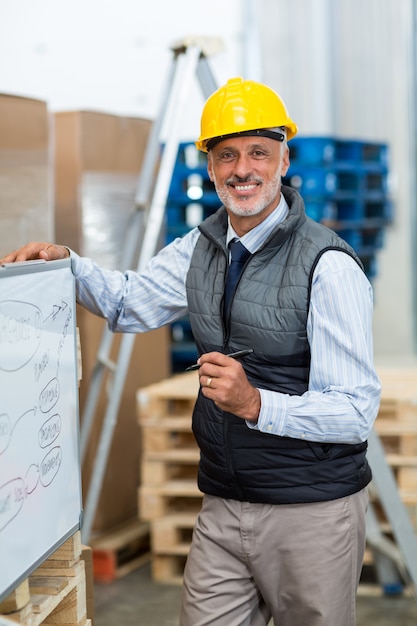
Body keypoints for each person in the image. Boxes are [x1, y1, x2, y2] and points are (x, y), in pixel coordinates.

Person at [1, 77, 381, 626]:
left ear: (283, 158)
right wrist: (70, 263)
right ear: (209, 166)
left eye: (258, 152)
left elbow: (353, 412)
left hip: (311, 511)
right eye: (226, 155)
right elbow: (131, 303)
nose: (242, 169)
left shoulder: (328, 266)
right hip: (223, 502)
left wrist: (255, 403)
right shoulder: (199, 248)